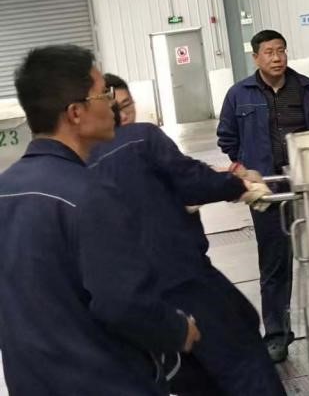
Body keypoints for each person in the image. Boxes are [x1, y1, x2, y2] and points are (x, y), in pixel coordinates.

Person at [0, 45, 200, 396]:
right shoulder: (90, 194)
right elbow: (123, 303)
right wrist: (178, 330)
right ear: (75, 113)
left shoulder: (6, 189)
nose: (112, 104)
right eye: (103, 94)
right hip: (104, 382)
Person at [88, 115, 284, 396]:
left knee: (188, 371)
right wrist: (238, 185)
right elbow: (190, 178)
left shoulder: (72, 170)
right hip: (181, 275)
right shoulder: (141, 138)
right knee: (241, 353)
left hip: (133, 300)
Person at [217, 29, 309, 363]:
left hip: (304, 184)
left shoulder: (306, 89)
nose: (277, 57)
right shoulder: (239, 94)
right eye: (269, 52)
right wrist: (249, 167)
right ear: (256, 57)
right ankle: (277, 335)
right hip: (267, 190)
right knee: (274, 264)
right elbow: (227, 137)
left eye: (281, 50)